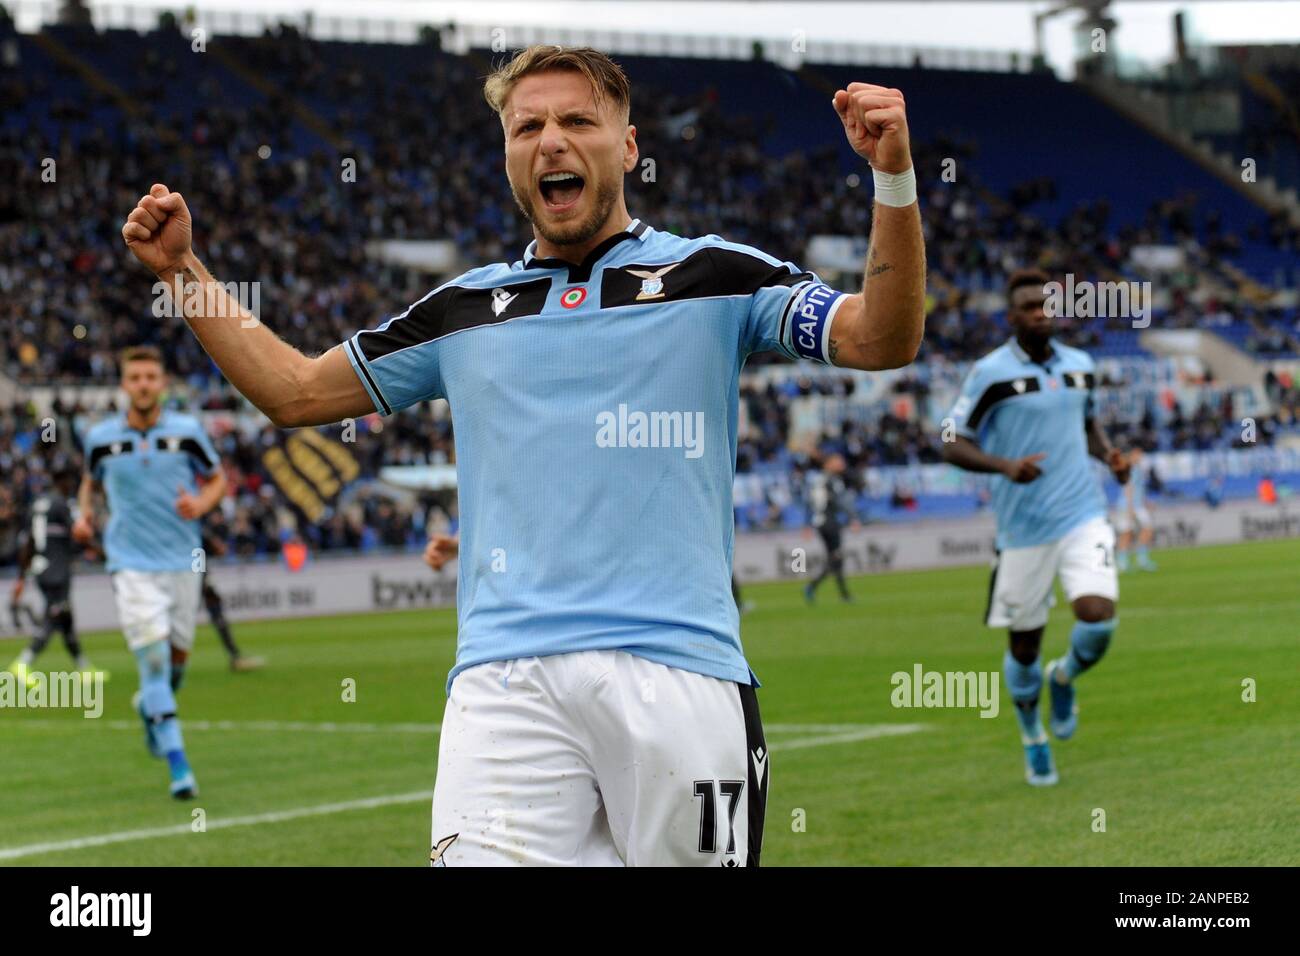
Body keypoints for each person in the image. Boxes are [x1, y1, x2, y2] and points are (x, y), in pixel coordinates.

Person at [120, 46, 925, 863]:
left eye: (578, 120)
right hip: (504, 686)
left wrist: (891, 176)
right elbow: (293, 392)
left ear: (631, 145)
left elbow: (883, 337)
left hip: (678, 677)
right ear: (507, 155)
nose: (551, 141)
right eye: (527, 126)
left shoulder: (715, 276)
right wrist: (184, 271)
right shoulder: (461, 312)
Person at [942, 269, 1128, 787]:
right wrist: (1005, 466)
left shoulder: (1082, 365)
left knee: (1098, 618)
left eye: (1047, 305)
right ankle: (1033, 738)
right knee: (1024, 646)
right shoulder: (989, 373)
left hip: (1082, 514)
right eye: (1029, 307)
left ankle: (1064, 677)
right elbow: (950, 440)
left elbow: (1087, 424)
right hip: (1023, 530)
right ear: (1011, 316)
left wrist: (1109, 455)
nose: (1041, 313)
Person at [74, 346, 227, 798]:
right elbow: (90, 482)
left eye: (150, 377)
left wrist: (200, 503)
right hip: (130, 565)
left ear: (162, 384)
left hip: (183, 562)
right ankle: (180, 768)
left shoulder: (188, 431)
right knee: (155, 663)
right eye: (135, 377)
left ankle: (151, 709)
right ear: (124, 384)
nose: (142, 384)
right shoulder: (100, 438)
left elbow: (217, 477)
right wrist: (85, 517)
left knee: (175, 668)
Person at [6, 467, 106, 684]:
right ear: (64, 482)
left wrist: (22, 577)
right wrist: (103, 553)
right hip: (57, 570)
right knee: (56, 614)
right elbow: (80, 534)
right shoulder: (61, 505)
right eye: (71, 484)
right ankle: (23, 662)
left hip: (41, 567)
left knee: (66, 617)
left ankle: (83, 668)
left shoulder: (36, 505)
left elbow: (28, 544)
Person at [803, 454, 857, 604]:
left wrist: (807, 524)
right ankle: (813, 587)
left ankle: (843, 594)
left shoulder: (817, 481)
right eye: (838, 461)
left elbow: (810, 503)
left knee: (835, 558)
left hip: (820, 524)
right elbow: (841, 501)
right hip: (831, 523)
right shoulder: (833, 481)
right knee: (836, 558)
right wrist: (852, 518)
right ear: (829, 464)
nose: (842, 463)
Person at [1114, 446, 1157, 572]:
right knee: (1126, 533)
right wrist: (1130, 507)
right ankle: (1122, 562)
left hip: (1138, 505)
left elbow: (1138, 489)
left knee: (1147, 528)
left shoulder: (1138, 469)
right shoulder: (1128, 468)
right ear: (1132, 455)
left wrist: (1146, 502)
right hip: (1127, 506)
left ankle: (1142, 559)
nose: (1140, 457)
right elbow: (1128, 489)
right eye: (1138, 454)